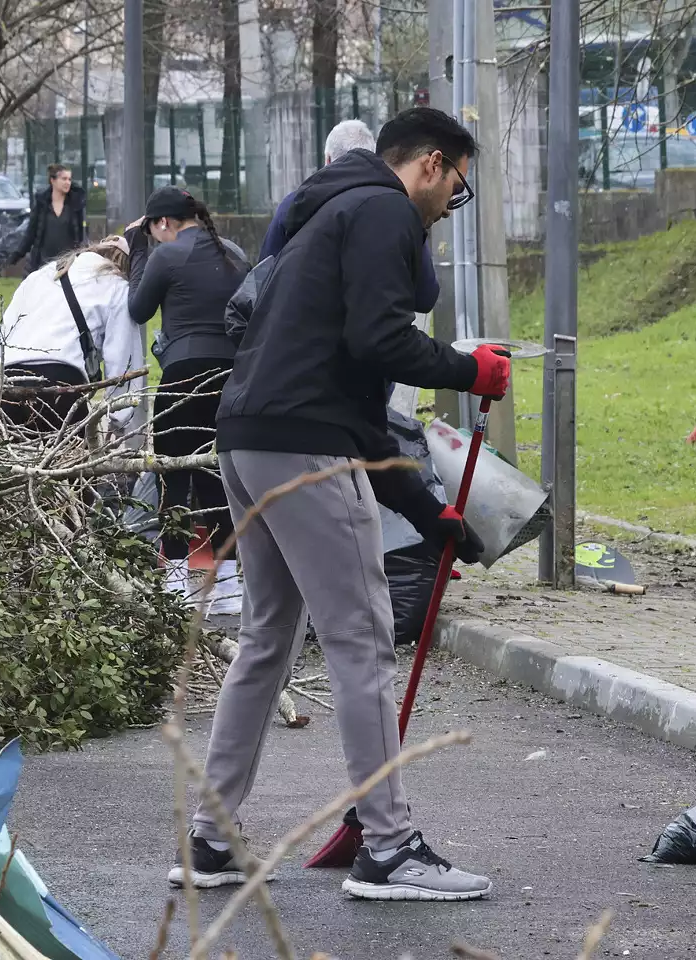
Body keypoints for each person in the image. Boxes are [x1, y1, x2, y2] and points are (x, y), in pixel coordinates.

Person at [178, 106, 510, 902]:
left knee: (267, 640)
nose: (448, 201)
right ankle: (390, 849)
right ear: (431, 163)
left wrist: (430, 514)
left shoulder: (324, 214)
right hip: (301, 446)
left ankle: (212, 842)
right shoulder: (384, 212)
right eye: (456, 183)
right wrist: (472, 370)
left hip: (246, 438)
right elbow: (380, 343)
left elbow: (359, 405)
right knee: (361, 638)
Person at [126, 187, 249, 614]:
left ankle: (176, 579)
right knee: (221, 476)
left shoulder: (166, 254)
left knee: (174, 475)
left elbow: (139, 309)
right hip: (233, 378)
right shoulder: (234, 253)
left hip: (182, 375)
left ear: (162, 223)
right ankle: (230, 583)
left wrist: (138, 253)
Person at [262, 119, 441, 313]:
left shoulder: (294, 204)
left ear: (328, 160)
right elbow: (425, 296)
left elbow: (264, 281)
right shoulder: (397, 207)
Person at [0, 235, 142, 434]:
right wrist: (119, 419)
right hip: (61, 386)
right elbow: (122, 357)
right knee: (68, 461)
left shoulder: (40, 276)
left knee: (13, 461)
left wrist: (8, 372)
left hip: (12, 382)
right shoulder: (117, 287)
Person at [13, 163, 87, 271]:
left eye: (69, 179)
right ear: (53, 180)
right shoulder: (42, 204)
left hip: (68, 263)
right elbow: (31, 232)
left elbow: (82, 234)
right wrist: (18, 254)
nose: (68, 182)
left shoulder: (75, 205)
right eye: (64, 179)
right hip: (44, 262)